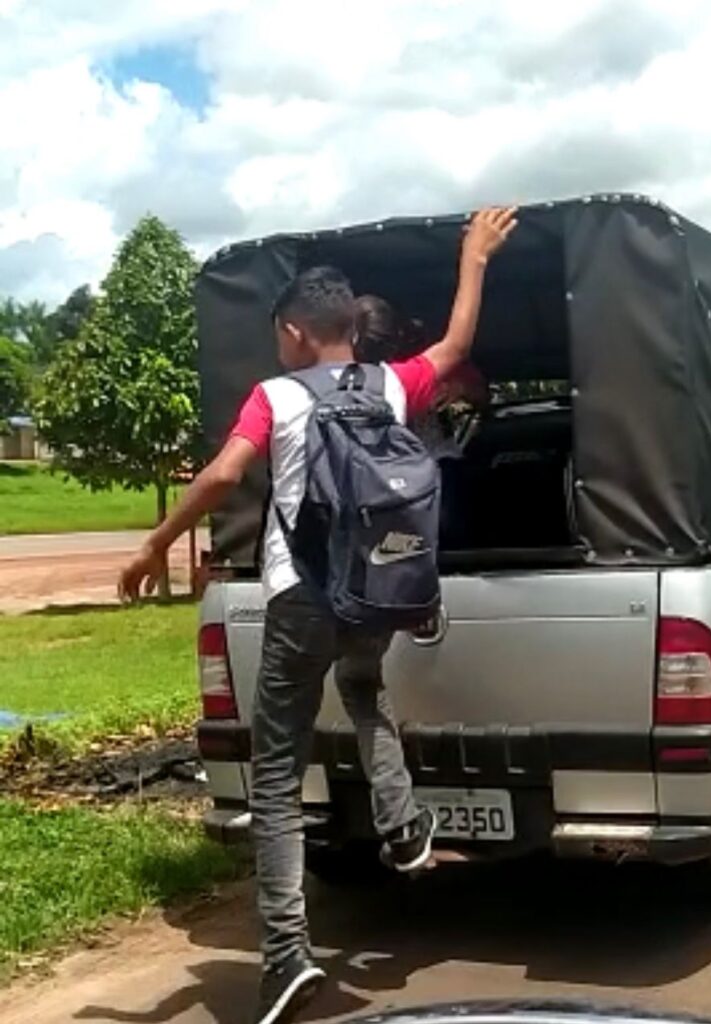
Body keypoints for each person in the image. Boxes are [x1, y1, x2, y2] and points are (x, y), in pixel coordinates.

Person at [116, 206, 517, 1024]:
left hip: (301, 596)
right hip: (377, 593)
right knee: (364, 689)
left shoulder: (275, 396)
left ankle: (286, 957)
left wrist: (157, 543)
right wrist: (472, 258)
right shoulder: (392, 384)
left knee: (273, 777)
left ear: (297, 331)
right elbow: (455, 349)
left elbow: (226, 476)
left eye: (278, 333)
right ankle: (403, 823)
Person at [354, 293, 490, 461]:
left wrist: (459, 389)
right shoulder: (385, 377)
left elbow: (483, 395)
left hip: (441, 456)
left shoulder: (437, 362)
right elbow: (457, 347)